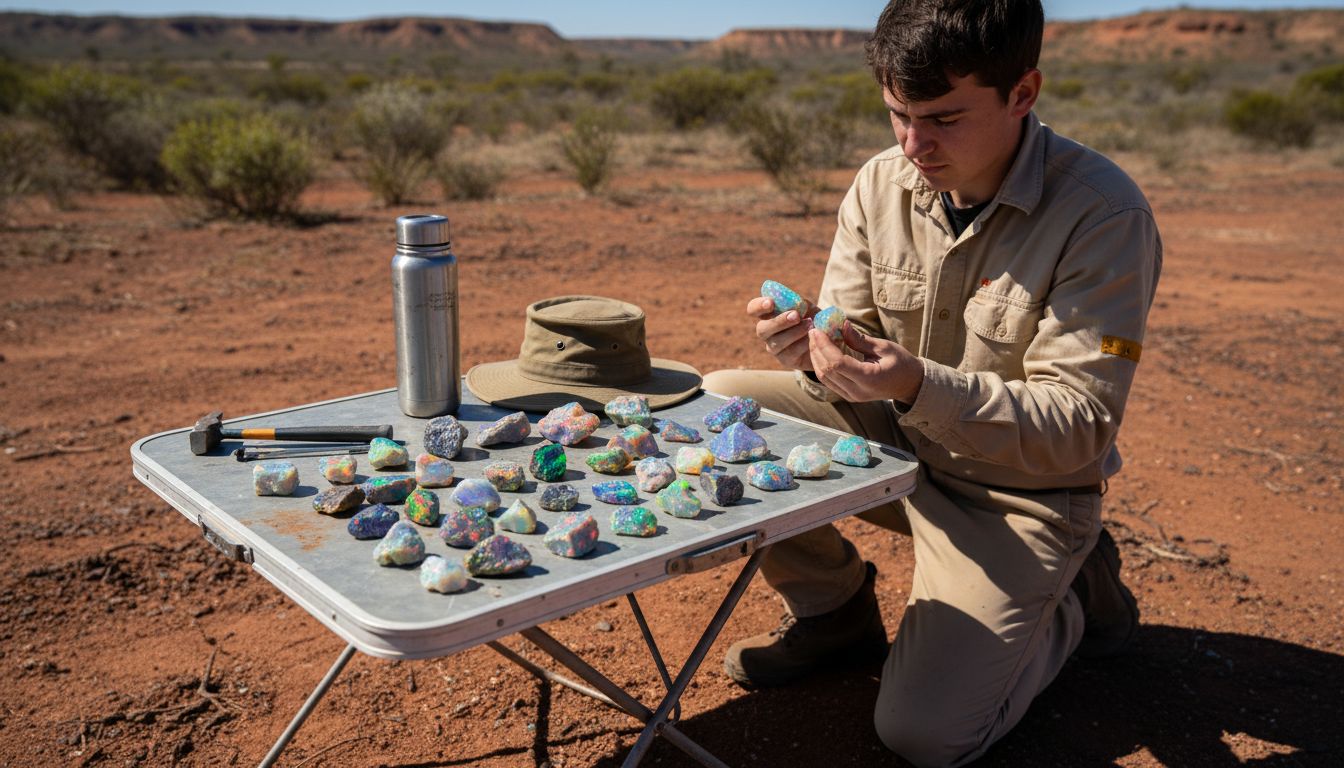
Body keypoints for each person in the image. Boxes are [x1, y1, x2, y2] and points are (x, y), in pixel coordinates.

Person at [703, 1, 1162, 765]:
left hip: (1022, 496)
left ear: (1023, 93)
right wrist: (815, 349)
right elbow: (848, 351)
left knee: (923, 736)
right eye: (897, 115)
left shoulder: (1104, 216)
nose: (915, 145)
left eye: (945, 119)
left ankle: (1070, 598)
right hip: (892, 447)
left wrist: (917, 384)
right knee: (725, 403)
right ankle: (834, 612)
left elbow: (1081, 425)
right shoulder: (880, 184)